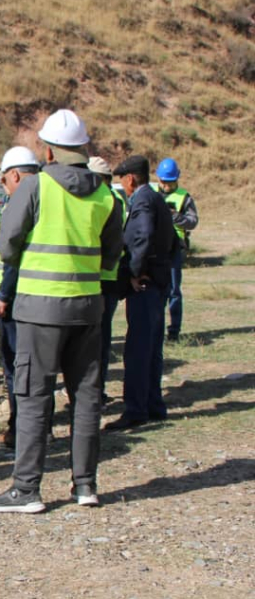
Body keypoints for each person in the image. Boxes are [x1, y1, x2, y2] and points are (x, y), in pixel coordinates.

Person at [0, 109, 122, 513]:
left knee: (33, 396)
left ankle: (27, 489)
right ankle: (85, 485)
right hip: (87, 308)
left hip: (39, 309)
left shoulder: (36, 187)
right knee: (86, 397)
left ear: (48, 150)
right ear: (84, 148)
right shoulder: (106, 196)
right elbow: (111, 255)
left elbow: (6, 244)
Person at [105, 156, 177, 431]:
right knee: (152, 349)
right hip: (158, 282)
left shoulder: (143, 200)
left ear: (130, 179)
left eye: (122, 180)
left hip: (145, 286)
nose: (123, 187)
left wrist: (135, 272)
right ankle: (154, 405)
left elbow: (143, 236)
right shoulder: (156, 198)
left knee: (137, 350)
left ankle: (136, 410)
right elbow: (172, 242)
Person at [0, 148, 40, 448]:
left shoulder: (21, 203)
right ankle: (35, 427)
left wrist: (3, 294)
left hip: (14, 297)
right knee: (34, 367)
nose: (3, 185)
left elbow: (13, 256)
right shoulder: (47, 198)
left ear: (15, 175)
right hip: (37, 295)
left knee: (16, 367)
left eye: (3, 179)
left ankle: (19, 431)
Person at [87, 156, 126, 404]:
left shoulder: (109, 201)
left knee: (99, 339)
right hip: (96, 277)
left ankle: (96, 392)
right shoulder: (107, 199)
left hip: (105, 279)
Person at [153, 158, 198, 342]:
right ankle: (155, 328)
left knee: (173, 291)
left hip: (174, 250)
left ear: (177, 179)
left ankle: (174, 331)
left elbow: (193, 221)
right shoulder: (151, 193)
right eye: (163, 181)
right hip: (154, 249)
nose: (166, 185)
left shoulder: (184, 197)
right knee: (154, 291)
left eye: (170, 182)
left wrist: (176, 217)